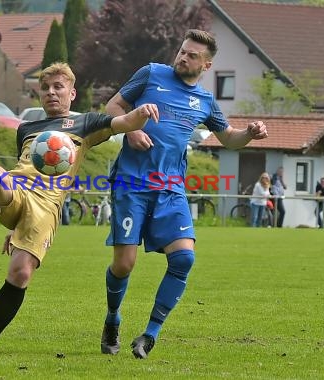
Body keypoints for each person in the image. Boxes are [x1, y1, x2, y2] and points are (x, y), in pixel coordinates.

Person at [0, 62, 159, 358]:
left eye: (58, 87)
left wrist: (140, 114)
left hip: (45, 206)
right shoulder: (26, 129)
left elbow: (122, 124)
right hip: (18, 188)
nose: (51, 93)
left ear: (72, 93)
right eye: (45, 88)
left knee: (20, 273)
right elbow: (24, 165)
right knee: (3, 173)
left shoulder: (86, 124)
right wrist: (12, 228)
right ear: (39, 94)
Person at [102, 29, 269, 359]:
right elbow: (113, 104)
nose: (182, 57)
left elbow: (229, 138)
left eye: (192, 55)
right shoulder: (151, 74)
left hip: (171, 189)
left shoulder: (205, 101)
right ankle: (112, 319)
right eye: (182, 51)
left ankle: (149, 335)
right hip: (131, 184)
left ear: (206, 66)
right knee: (124, 265)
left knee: (184, 258)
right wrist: (130, 129)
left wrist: (249, 133)